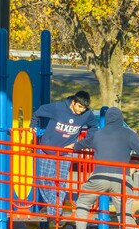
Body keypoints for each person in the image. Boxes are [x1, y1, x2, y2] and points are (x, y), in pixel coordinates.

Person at [29, 91, 99, 221]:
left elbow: (93, 126)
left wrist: (84, 142)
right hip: (47, 150)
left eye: (84, 108)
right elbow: (39, 112)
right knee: (44, 181)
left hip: (65, 152)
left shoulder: (87, 114)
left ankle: (54, 212)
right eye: (79, 107)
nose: (81, 110)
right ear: (73, 102)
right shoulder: (58, 108)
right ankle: (52, 206)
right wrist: (32, 126)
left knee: (60, 183)